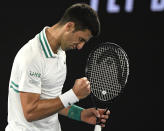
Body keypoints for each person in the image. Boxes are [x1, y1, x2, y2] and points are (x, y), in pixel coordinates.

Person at [5, 3, 110, 131]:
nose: (80, 47)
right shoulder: (32, 57)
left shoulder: (60, 52)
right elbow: (30, 112)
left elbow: (51, 100)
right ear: (69, 26)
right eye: (80, 39)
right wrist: (73, 95)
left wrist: (80, 114)